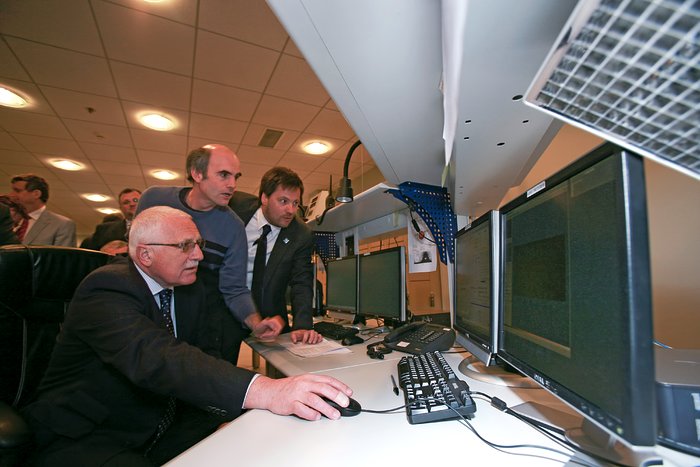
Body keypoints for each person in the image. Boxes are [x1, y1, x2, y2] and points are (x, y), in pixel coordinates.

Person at [21, 206, 354, 466]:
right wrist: (266, 391)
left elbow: (204, 358)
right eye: (184, 246)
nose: (198, 255)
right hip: (89, 434)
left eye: (198, 244)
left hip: (164, 424)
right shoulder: (106, 287)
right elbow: (159, 358)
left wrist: (236, 413)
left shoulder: (188, 290)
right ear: (145, 254)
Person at [136, 144, 283, 363]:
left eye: (236, 177)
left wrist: (255, 323)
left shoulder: (233, 228)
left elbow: (233, 288)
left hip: (200, 321)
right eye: (223, 175)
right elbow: (136, 255)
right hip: (148, 312)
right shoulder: (153, 199)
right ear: (197, 173)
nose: (232, 185)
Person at [229, 167, 322, 351]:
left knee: (285, 369)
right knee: (222, 368)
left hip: (270, 316)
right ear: (264, 198)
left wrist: (302, 325)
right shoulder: (234, 206)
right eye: (283, 201)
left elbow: (301, 282)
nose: (291, 210)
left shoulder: (301, 234)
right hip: (227, 310)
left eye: (295, 203)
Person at [9, 174, 76, 246]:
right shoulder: (8, 220)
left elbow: (62, 256)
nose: (11, 195)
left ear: (36, 194)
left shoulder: (61, 224)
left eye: (17, 191)